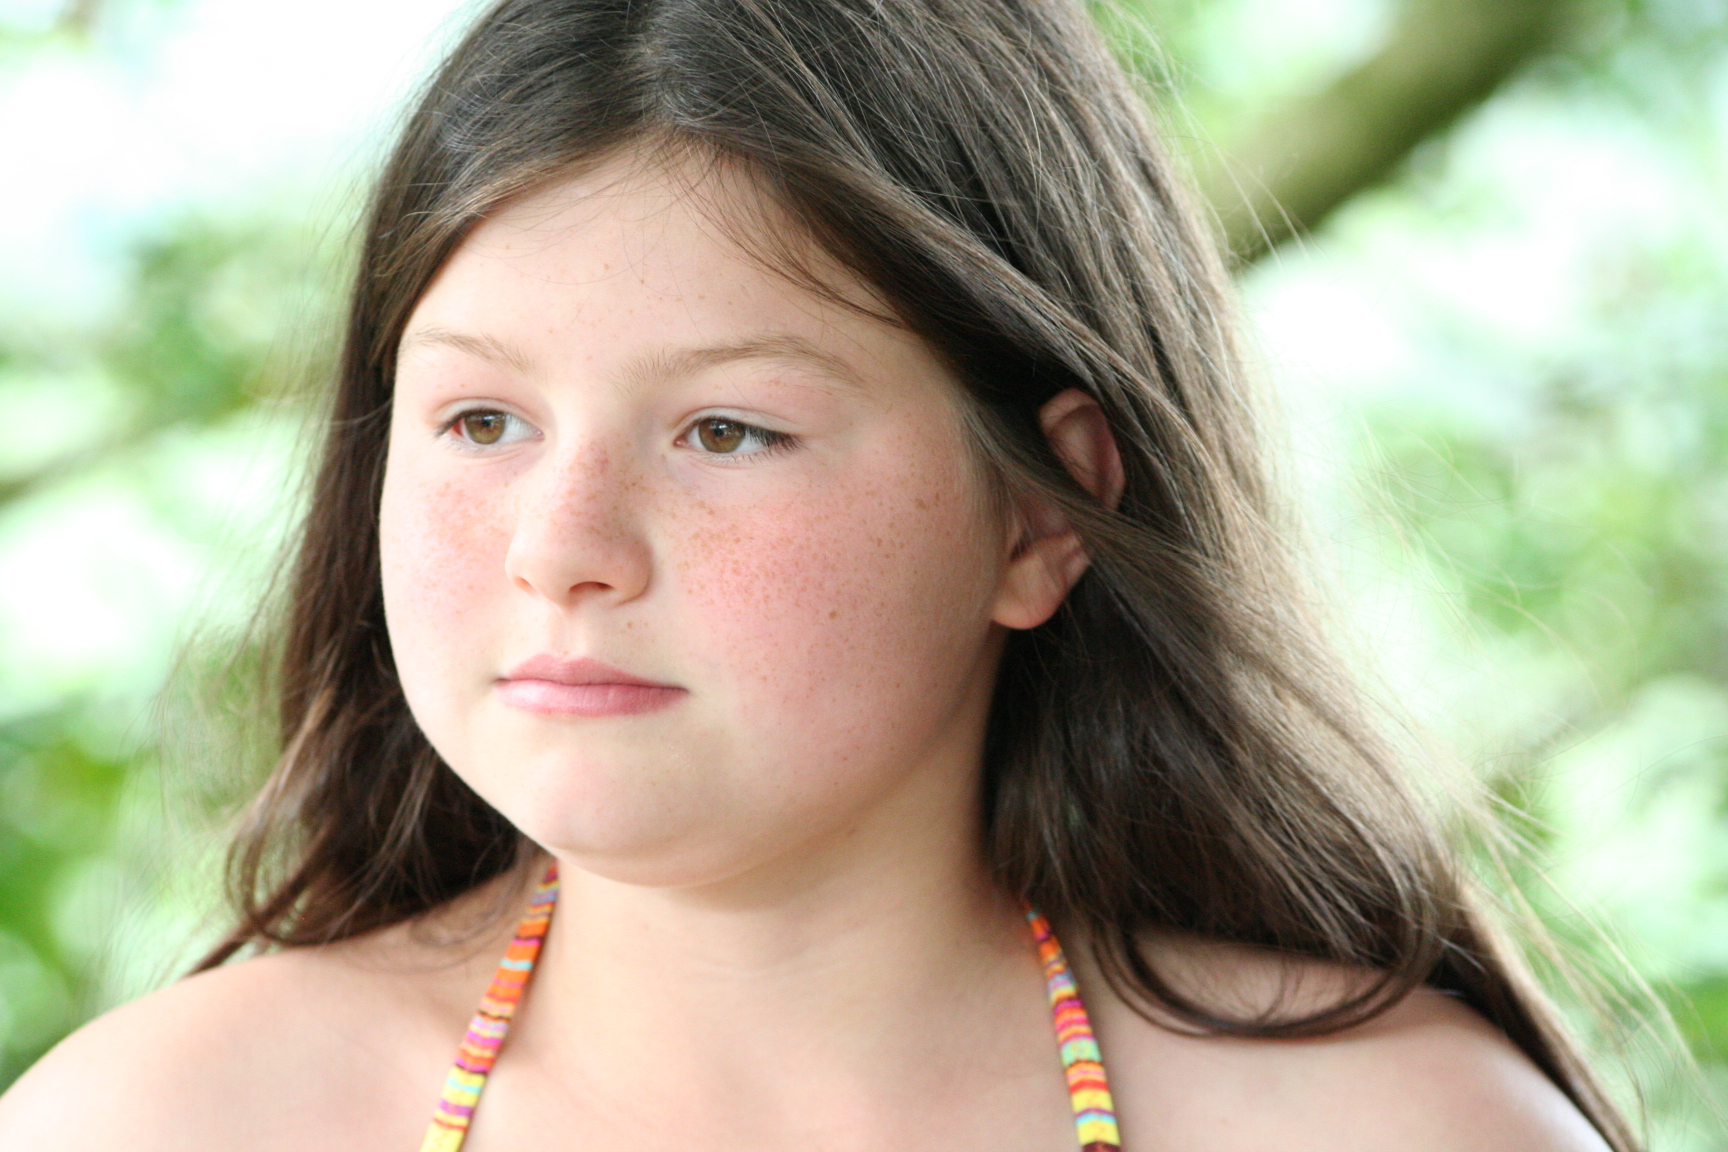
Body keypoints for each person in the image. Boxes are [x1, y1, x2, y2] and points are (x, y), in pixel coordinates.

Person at [0, 1, 1635, 1148]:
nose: (559, 546)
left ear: (1041, 513)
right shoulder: (156, 1125)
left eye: (726, 431)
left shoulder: (1405, 1131)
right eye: (483, 420)